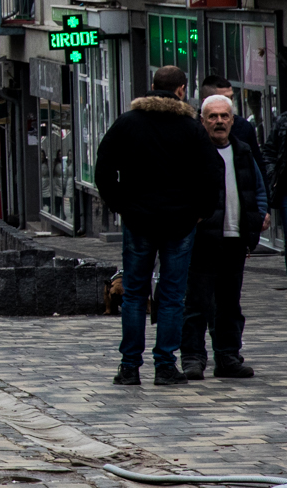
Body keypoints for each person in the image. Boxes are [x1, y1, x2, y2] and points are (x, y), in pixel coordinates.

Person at [92, 65, 220, 386]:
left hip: (139, 220)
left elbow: (104, 168)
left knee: (134, 294)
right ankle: (165, 366)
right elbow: (211, 173)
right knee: (173, 295)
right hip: (180, 221)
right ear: (181, 90)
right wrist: (200, 211)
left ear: (151, 86)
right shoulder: (190, 128)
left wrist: (121, 205)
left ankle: (129, 367)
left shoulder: (128, 123)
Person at [182, 94, 270, 379]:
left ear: (232, 120)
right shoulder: (194, 151)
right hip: (203, 240)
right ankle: (193, 358)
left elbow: (258, 189)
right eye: (213, 116)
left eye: (224, 116)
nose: (219, 121)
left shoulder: (242, 151)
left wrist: (260, 215)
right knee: (197, 303)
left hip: (235, 239)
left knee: (230, 304)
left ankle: (228, 356)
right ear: (203, 120)